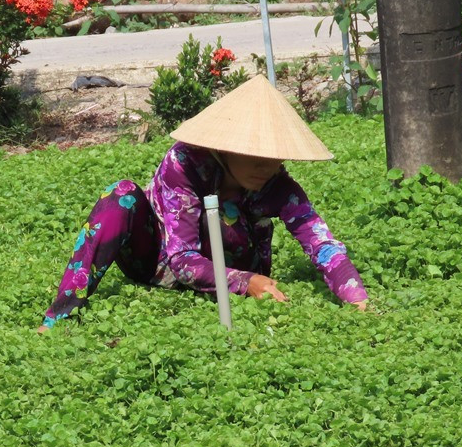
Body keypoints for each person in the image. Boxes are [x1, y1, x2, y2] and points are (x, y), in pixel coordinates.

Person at [38, 74, 368, 332]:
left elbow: (322, 244)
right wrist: (244, 281)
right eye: (255, 154)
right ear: (226, 146)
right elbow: (180, 258)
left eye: (275, 157)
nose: (265, 166)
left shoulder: (278, 186)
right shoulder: (183, 163)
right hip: (159, 259)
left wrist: (356, 301)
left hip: (231, 269)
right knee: (121, 195)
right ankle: (60, 317)